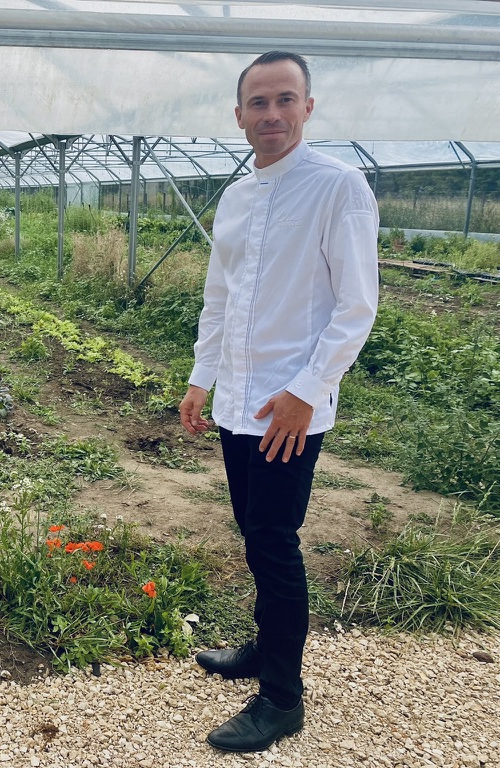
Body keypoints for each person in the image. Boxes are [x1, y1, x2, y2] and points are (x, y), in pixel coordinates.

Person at [178, 50, 379, 753]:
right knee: (254, 532)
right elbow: (220, 298)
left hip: (289, 409)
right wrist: (202, 376)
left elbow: (357, 307)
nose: (271, 114)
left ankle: (283, 698)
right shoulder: (238, 197)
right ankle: (265, 649)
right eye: (258, 103)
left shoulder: (338, 187)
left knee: (274, 540)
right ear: (239, 116)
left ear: (308, 108)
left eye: (285, 100)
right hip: (237, 400)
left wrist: (307, 390)